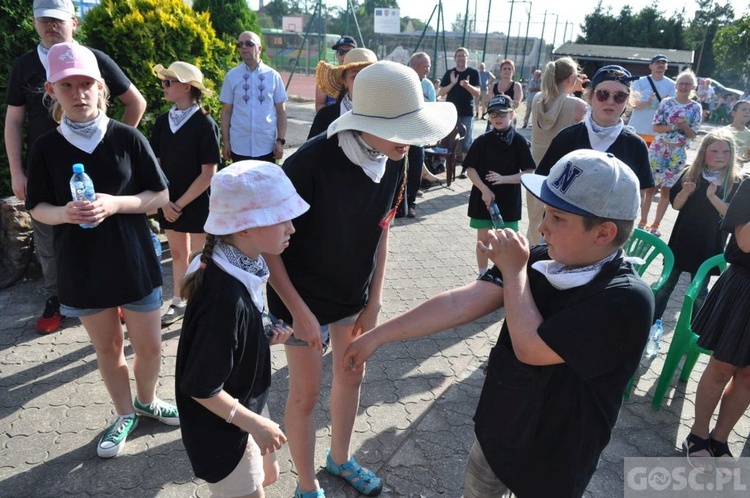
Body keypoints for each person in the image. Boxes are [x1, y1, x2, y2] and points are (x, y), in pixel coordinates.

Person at [343, 149, 654, 497]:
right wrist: (377, 337)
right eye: (545, 212)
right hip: (500, 434)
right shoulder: (541, 259)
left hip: (556, 459)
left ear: (603, 233)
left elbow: (531, 348)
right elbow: (460, 303)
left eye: (557, 218)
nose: (542, 226)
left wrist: (515, 270)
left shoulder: (626, 299)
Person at [265, 61, 456, 498]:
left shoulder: (395, 157)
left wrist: (375, 301)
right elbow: (269, 248)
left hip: (353, 292)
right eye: (403, 129)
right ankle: (307, 482)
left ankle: (340, 457)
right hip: (301, 299)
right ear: (367, 121)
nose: (411, 141)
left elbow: (382, 227)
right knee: (304, 395)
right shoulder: (309, 162)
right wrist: (299, 313)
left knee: (352, 373)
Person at [25, 42, 176, 458]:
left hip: (134, 260)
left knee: (150, 347)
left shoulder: (128, 137)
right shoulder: (46, 147)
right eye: (67, 85)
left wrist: (116, 203)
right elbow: (37, 206)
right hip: (82, 266)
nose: (78, 93)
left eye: (86, 83)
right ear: (51, 90)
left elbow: (160, 194)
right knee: (108, 349)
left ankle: (147, 400)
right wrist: (65, 214)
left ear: (101, 87)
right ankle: (124, 413)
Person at [5, 0, 147, 334]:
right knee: (50, 240)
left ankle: (117, 297)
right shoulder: (24, 65)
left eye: (57, 20)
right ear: (34, 22)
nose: (50, 25)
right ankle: (56, 298)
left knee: (106, 233)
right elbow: (13, 120)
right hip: (48, 172)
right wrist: (16, 171)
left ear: (74, 23)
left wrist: (118, 146)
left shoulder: (93, 60)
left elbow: (135, 102)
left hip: (96, 171)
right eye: (43, 19)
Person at [176, 161, 309, 497]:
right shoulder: (223, 298)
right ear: (245, 227)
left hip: (244, 405)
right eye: (281, 220)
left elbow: (230, 337)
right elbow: (200, 386)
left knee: (268, 475)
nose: (292, 228)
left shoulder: (239, 258)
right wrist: (257, 425)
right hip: (222, 430)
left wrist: (260, 337)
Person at [683, 176, 750, 473]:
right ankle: (697, 434)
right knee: (722, 367)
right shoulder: (748, 187)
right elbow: (745, 243)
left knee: (749, 376)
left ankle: (720, 439)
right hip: (743, 290)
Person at [150, 61, 220, 327]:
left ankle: (202, 303)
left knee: (201, 257)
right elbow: (154, 164)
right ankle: (178, 301)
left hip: (197, 200)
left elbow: (208, 174)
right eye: (164, 81)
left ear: (187, 87)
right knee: (179, 254)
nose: (163, 86)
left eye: (169, 82)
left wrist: (177, 204)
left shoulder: (205, 124)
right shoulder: (161, 122)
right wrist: (166, 201)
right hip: (168, 200)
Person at [652, 129, 744, 325]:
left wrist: (712, 196)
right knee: (665, 287)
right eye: (714, 151)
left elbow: (730, 214)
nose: (720, 156)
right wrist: (685, 192)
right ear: (703, 152)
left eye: (725, 152)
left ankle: (696, 330)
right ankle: (651, 323)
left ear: (732, 154)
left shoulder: (736, 182)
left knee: (700, 293)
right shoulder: (690, 173)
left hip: (709, 246)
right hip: (681, 241)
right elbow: (676, 205)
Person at [536, 65, 653, 214]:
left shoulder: (636, 146)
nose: (610, 101)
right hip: (563, 229)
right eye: (603, 94)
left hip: (607, 230)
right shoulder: (566, 138)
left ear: (628, 100)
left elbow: (639, 196)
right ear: (590, 97)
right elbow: (543, 183)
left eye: (619, 96)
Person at [465, 95, 535, 274]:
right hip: (483, 198)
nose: (497, 118)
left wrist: (504, 179)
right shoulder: (482, 141)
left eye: (502, 114)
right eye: (493, 114)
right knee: (483, 238)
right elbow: (470, 169)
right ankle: (482, 274)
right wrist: (484, 189)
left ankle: (506, 274)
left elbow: (529, 173)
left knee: (508, 240)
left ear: (511, 115)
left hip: (509, 198)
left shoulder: (519, 142)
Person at [526, 57, 588, 244]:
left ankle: (530, 261)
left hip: (536, 171)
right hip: (564, 176)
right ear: (570, 78)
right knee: (558, 226)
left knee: (535, 223)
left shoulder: (538, 99)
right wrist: (582, 92)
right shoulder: (577, 106)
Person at [640, 69, 702, 237]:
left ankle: (656, 224)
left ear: (693, 86)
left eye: (688, 84)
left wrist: (684, 126)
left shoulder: (696, 107)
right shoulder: (666, 103)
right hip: (658, 150)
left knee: (666, 190)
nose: (684, 86)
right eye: (681, 83)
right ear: (676, 85)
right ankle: (642, 221)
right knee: (650, 188)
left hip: (677, 154)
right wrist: (675, 126)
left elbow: (693, 134)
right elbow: (656, 127)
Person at [220, 31, 287, 163]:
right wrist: (226, 142)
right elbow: (226, 112)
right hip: (239, 146)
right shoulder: (231, 76)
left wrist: (280, 141)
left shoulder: (273, 76)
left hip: (266, 147)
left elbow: (281, 112)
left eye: (249, 43)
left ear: (260, 48)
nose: (244, 47)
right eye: (240, 44)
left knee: (264, 184)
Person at [307, 48, 377, 139]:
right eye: (355, 76)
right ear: (345, 81)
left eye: (368, 75)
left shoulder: (388, 115)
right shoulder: (326, 116)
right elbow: (310, 151)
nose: (362, 81)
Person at [439, 47, 480, 171]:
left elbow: (477, 93)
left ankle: (464, 168)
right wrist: (452, 83)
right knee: (447, 139)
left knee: (466, 141)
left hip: (467, 113)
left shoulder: (473, 73)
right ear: (455, 58)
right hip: (450, 113)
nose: (461, 58)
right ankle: (444, 165)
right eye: (459, 55)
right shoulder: (450, 73)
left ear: (468, 58)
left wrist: (467, 86)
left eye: (463, 55)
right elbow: (441, 92)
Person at [629, 54, 675, 147]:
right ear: (650, 66)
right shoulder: (639, 82)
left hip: (658, 133)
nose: (660, 65)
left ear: (666, 67)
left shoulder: (672, 85)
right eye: (657, 62)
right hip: (637, 130)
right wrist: (647, 103)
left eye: (663, 63)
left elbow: (672, 108)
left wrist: (663, 105)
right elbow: (632, 103)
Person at [315, 35, 356, 112]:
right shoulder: (326, 77)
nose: (344, 56)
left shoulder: (362, 76)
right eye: (340, 52)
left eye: (349, 52)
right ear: (336, 55)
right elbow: (320, 105)